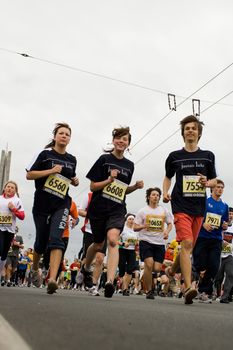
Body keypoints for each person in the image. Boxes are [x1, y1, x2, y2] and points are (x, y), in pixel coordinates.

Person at [82, 126, 144, 298]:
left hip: (117, 209)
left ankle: (109, 282)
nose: (121, 141)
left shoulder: (129, 165)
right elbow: (93, 186)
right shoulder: (104, 160)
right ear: (113, 140)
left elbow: (122, 190)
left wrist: (135, 187)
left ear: (129, 144)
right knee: (97, 244)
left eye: (125, 139)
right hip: (99, 208)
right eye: (118, 138)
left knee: (113, 240)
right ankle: (86, 267)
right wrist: (109, 180)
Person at [163, 115, 217, 304]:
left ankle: (170, 271)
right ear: (183, 133)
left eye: (194, 128)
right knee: (186, 243)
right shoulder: (174, 156)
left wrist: (207, 182)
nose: (190, 131)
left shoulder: (208, 156)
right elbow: (168, 176)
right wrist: (165, 191)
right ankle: (187, 288)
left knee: (189, 247)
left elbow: (214, 181)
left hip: (199, 208)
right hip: (180, 205)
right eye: (187, 128)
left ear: (199, 133)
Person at [26, 122, 79, 294]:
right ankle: (35, 269)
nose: (64, 136)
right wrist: (50, 171)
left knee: (57, 238)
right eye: (61, 133)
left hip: (61, 204)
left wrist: (75, 180)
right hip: (42, 204)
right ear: (55, 136)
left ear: (70, 139)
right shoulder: (45, 155)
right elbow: (29, 175)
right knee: (41, 242)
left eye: (67, 134)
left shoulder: (72, 160)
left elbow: (70, 178)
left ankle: (52, 279)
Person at [192, 179, 228, 302]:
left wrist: (225, 225)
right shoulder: (205, 202)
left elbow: (225, 222)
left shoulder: (224, 206)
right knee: (200, 264)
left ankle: (204, 291)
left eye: (222, 187)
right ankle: (195, 281)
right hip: (202, 237)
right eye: (218, 187)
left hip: (216, 239)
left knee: (213, 266)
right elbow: (196, 216)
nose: (220, 189)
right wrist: (203, 224)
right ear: (212, 188)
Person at [134, 187, 173, 299]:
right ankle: (149, 290)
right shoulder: (143, 211)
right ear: (148, 197)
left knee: (156, 268)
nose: (156, 197)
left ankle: (148, 279)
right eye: (153, 195)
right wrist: (143, 226)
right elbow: (135, 227)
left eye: (157, 195)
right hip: (146, 241)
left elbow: (170, 223)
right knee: (149, 264)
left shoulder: (163, 210)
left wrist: (166, 231)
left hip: (159, 243)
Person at [79, 192, 107, 296]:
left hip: (104, 232)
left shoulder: (112, 197)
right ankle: (85, 272)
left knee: (99, 259)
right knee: (87, 258)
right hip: (90, 230)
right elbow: (80, 211)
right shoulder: (89, 195)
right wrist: (93, 215)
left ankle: (93, 285)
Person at [0, 181, 25, 285]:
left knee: (4, 254)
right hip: (0, 228)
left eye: (12, 187)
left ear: (15, 190)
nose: (9, 189)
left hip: (10, 230)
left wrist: (13, 209)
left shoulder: (17, 201)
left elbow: (22, 216)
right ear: (4, 188)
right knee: (0, 249)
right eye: (8, 187)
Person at [215, 207, 233, 304]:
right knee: (218, 277)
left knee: (230, 274)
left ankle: (225, 296)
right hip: (219, 254)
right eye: (229, 214)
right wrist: (221, 241)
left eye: (231, 214)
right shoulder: (220, 224)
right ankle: (218, 294)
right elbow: (215, 235)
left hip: (230, 255)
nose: (230, 216)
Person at [118, 213, 138, 296]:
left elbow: (138, 241)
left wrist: (137, 243)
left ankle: (125, 289)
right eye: (130, 219)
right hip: (122, 250)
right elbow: (116, 240)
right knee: (122, 269)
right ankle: (120, 285)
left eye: (133, 219)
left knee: (130, 270)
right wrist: (122, 244)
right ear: (126, 220)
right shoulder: (123, 229)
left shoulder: (135, 230)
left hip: (131, 251)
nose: (131, 221)